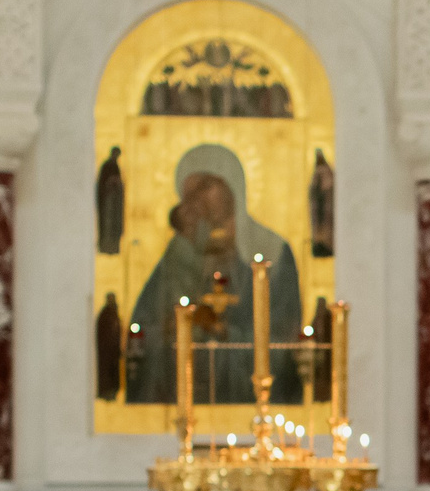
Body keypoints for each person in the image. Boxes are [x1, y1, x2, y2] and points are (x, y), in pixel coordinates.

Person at [125, 144, 305, 406]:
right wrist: (179, 325)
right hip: (187, 393)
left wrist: (222, 331)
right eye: (189, 194)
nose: (197, 201)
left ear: (233, 185)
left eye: (206, 186)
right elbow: (145, 327)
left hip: (253, 398)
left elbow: (285, 339)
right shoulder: (179, 254)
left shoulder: (272, 251)